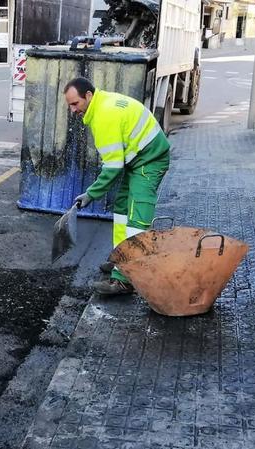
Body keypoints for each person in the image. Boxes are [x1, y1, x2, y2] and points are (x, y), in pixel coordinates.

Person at [64, 76, 170, 296]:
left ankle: (125, 281)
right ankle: (120, 261)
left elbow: (112, 168)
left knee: (137, 219)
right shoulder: (102, 104)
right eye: (70, 105)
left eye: (75, 104)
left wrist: (90, 194)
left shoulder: (104, 116)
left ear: (89, 96)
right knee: (121, 208)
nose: (73, 110)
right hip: (136, 159)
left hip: (150, 160)